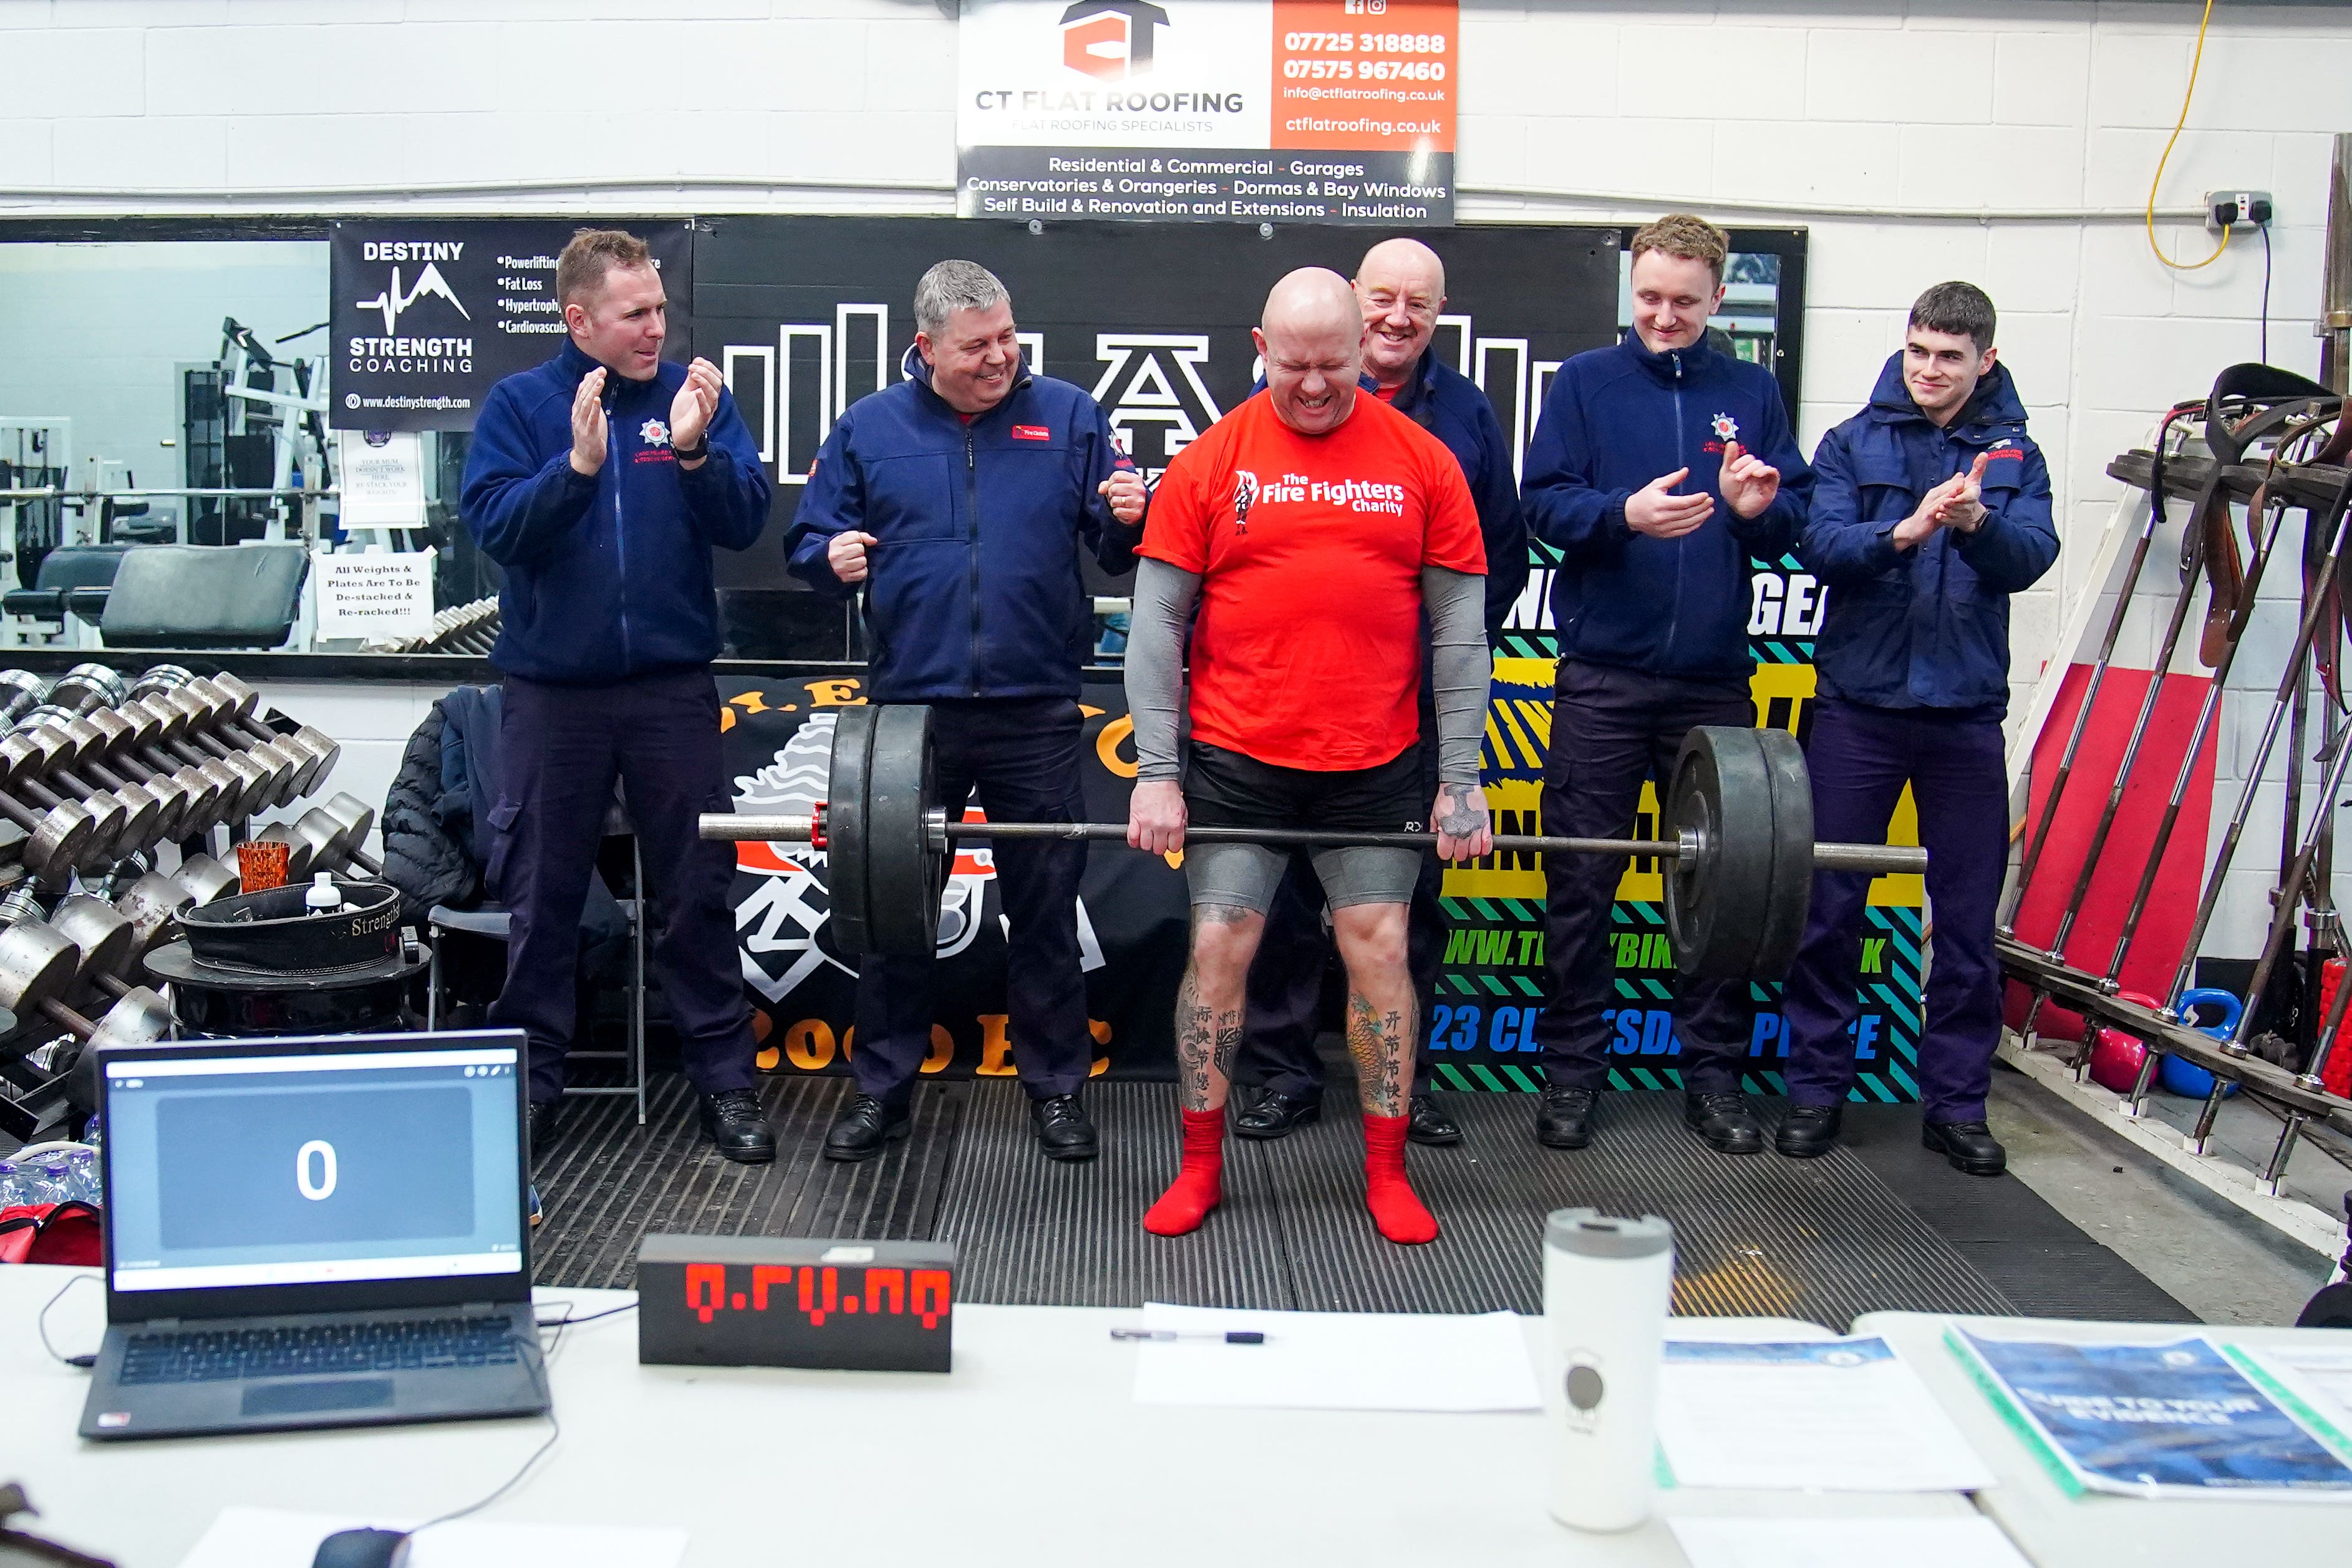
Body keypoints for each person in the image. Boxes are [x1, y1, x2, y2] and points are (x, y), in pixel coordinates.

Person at [1124, 268, 1491, 1245]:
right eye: (1296, 366)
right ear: (1261, 346)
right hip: (1240, 757)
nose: (1319, 384)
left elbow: (1459, 631)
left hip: (1376, 761)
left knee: (1378, 959)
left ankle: (1386, 1169)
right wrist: (1158, 768)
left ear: (1363, 351)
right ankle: (1200, 1167)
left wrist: (1464, 780)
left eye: (1336, 364)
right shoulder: (1211, 462)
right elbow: (1157, 623)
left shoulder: (1425, 462)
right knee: (1218, 949)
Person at [786, 260, 1148, 1164]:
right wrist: (826, 554)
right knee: (894, 914)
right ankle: (881, 1091)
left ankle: (1057, 1090)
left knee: (1046, 913)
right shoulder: (870, 428)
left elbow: (1114, 545)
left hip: (1035, 708)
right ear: (927, 348)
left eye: (1007, 337)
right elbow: (806, 538)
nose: (1001, 357)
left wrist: (1130, 513)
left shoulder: (1067, 415)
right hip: (912, 715)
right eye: (978, 345)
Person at [461, 228, 775, 1163]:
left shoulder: (694, 398)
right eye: (635, 313)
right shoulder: (521, 406)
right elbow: (497, 531)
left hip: (673, 690)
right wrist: (579, 471)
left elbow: (747, 516)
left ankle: (725, 1081)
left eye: (660, 310)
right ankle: (534, 1086)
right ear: (579, 318)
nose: (655, 328)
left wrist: (691, 453)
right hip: (555, 695)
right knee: (543, 894)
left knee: (697, 890)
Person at [1519, 213, 1812, 1156]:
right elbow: (1542, 503)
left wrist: (1756, 511)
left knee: (1724, 893)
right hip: (1603, 679)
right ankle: (1571, 1075)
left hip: (1714, 684)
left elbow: (1790, 518)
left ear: (1718, 299)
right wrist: (1621, 514)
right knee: (1580, 883)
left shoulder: (1752, 390)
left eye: (1685, 301)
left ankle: (1716, 1081)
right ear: (1629, 290)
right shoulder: (1585, 383)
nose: (1664, 315)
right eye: (1648, 297)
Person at [1231, 237, 1528, 1148]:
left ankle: (1400, 1079)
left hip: (1415, 713)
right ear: (1355, 302)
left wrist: (1411, 646)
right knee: (1277, 900)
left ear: (1440, 316)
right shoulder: (1262, 411)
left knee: (1409, 907)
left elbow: (1500, 565)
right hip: (1282, 707)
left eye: (1420, 305)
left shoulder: (1467, 418)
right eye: (1385, 299)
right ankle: (1283, 1072)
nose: (1400, 318)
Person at [1779, 282, 2058, 1176]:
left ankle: (1957, 1106)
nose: (1931, 370)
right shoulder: (1851, 441)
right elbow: (1816, 546)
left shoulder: (2016, 455)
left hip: (1966, 720)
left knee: (1970, 924)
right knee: (1828, 912)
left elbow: (2031, 558)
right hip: (1858, 713)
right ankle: (1817, 1092)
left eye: (1950, 357)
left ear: (1987, 361)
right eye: (1919, 352)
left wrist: (1976, 524)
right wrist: (1901, 532)